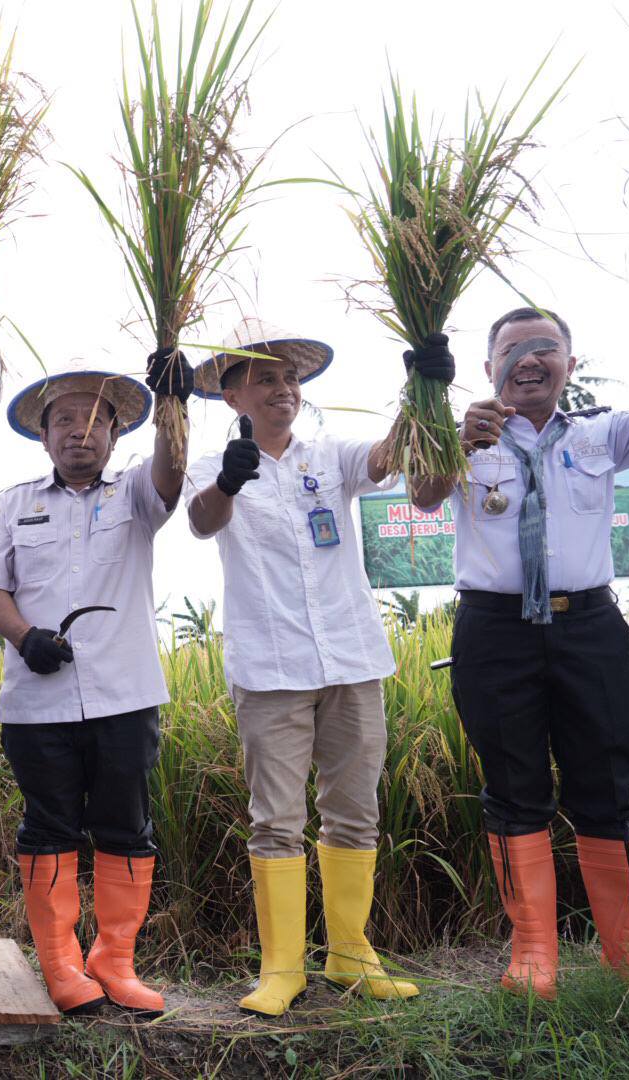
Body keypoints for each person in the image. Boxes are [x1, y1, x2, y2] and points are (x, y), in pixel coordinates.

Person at [187, 317, 428, 1016]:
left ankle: (351, 955)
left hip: (353, 659)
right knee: (277, 820)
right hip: (272, 670)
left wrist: (422, 390)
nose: (282, 389)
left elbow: (386, 457)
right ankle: (282, 968)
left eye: (289, 377)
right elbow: (203, 521)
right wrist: (231, 483)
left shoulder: (331, 455)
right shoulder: (214, 467)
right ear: (232, 396)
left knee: (355, 812)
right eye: (264, 378)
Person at [411, 307, 629, 999]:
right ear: (487, 369)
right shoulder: (464, 439)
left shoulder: (602, 434)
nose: (530, 360)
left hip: (590, 628)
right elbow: (420, 495)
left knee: (612, 787)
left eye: (546, 348)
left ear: (569, 361)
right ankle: (534, 952)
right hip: (495, 632)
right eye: (513, 349)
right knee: (513, 786)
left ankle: (623, 950)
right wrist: (443, 430)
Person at [0, 354, 188, 1017]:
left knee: (126, 825)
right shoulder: (15, 503)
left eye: (96, 421)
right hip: (37, 705)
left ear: (117, 434)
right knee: (49, 827)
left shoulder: (138, 495)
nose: (80, 432)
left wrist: (173, 404)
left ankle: (113, 960)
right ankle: (62, 965)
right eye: (64, 420)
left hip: (124, 695)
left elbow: (174, 476)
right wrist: (24, 635)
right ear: (44, 436)